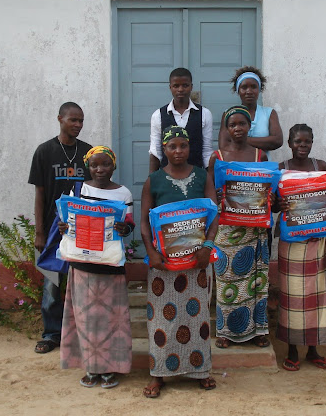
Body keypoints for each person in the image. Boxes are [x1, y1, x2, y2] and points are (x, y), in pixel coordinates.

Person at [141, 126, 219, 398]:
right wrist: (151, 252)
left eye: (183, 146)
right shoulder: (154, 180)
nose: (178, 151)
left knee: (197, 317)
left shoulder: (202, 176)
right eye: (172, 146)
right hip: (163, 264)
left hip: (197, 262)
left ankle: (200, 370)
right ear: (164, 149)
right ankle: (159, 373)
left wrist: (207, 247)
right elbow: (143, 221)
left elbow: (214, 214)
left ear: (190, 148)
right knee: (162, 320)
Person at [59, 146, 134, 388]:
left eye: (105, 164)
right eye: (94, 165)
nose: (100, 169)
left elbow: (129, 223)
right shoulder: (79, 189)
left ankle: (111, 368)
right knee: (85, 320)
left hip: (110, 265)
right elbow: (68, 219)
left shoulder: (124, 193)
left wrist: (125, 229)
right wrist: (63, 227)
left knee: (112, 321)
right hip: (82, 265)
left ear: (114, 166)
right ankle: (91, 368)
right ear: (88, 167)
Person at [275, 124, 326, 371]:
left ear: (312, 142)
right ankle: (293, 350)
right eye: (298, 142)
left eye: (307, 142)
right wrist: (280, 206)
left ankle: (314, 350)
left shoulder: (321, 167)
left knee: (316, 296)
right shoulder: (281, 169)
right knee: (294, 297)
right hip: (292, 243)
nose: (302, 146)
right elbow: (273, 204)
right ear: (289, 143)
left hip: (318, 241)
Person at [28, 102, 93, 354]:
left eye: (81, 121)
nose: (77, 125)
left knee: (82, 284)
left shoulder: (87, 152)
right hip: (53, 230)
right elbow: (39, 194)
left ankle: (82, 333)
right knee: (52, 285)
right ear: (60, 119)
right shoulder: (44, 152)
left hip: (81, 229)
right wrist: (40, 232)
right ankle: (51, 334)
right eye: (73, 120)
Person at [208, 105, 271, 349]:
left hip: (255, 229)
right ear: (226, 128)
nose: (237, 128)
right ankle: (225, 331)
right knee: (227, 280)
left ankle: (259, 331)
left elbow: (267, 188)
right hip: (227, 228)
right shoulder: (217, 157)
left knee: (257, 281)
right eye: (232, 124)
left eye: (241, 124)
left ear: (249, 127)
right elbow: (210, 192)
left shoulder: (259, 156)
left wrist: (269, 199)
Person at [149, 67, 213, 172]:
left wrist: (209, 180)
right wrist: (151, 181)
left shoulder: (204, 114)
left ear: (191, 87)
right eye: (176, 86)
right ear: (170, 87)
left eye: (185, 85)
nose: (180, 89)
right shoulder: (158, 115)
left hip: (196, 175)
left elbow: (207, 151)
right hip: (167, 176)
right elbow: (155, 153)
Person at [218, 66, 283, 155]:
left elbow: (277, 141)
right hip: (236, 166)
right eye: (244, 87)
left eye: (253, 87)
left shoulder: (269, 113)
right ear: (238, 90)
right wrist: (264, 142)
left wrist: (240, 140)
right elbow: (224, 145)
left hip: (263, 167)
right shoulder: (229, 114)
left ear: (259, 89)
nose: (249, 91)